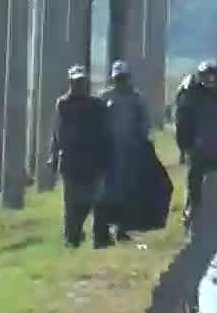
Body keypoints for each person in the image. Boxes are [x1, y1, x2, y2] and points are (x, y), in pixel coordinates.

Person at [49, 65, 116, 248]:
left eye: (81, 81)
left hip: (93, 161)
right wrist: (54, 157)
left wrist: (109, 158)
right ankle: (73, 238)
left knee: (96, 201)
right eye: (75, 81)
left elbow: (106, 133)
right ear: (70, 82)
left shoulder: (97, 105)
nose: (78, 85)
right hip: (71, 162)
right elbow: (57, 133)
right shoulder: (63, 104)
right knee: (72, 204)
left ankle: (99, 238)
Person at [174, 63, 217, 230]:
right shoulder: (196, 96)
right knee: (195, 189)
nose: (213, 80)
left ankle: (209, 221)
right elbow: (183, 121)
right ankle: (191, 220)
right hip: (200, 151)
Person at [99, 59, 150, 241]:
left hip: (130, 152)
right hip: (108, 153)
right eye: (117, 78)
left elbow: (144, 124)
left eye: (123, 78)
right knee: (106, 191)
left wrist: (140, 143)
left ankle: (122, 229)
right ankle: (103, 229)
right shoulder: (104, 98)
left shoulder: (137, 99)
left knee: (128, 190)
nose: (120, 82)